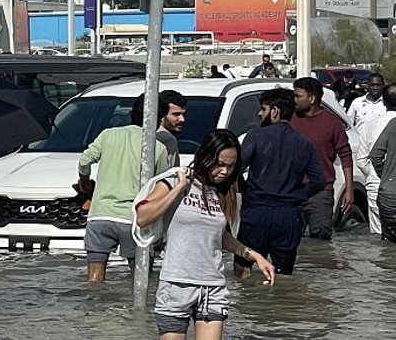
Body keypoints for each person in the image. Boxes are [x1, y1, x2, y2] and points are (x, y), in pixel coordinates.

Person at [136, 131, 275, 340]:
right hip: (176, 285)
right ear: (205, 157)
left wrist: (253, 255)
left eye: (231, 166)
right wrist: (180, 187)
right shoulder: (175, 181)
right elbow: (142, 216)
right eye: (220, 164)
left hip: (213, 288)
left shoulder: (222, 191)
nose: (225, 171)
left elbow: (218, 236)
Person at [76, 94, 170, 282]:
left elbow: (84, 160)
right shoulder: (158, 148)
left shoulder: (108, 135)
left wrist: (84, 181)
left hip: (100, 215)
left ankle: (93, 309)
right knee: (140, 278)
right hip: (134, 220)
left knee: (94, 277)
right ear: (159, 120)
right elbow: (162, 185)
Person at [234, 88, 325, 279]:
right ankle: (278, 308)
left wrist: (245, 189)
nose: (259, 113)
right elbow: (319, 181)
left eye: (263, 109)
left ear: (274, 111)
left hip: (256, 212)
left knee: (244, 269)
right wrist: (297, 196)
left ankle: (247, 308)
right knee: (282, 277)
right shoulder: (304, 143)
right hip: (288, 216)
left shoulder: (256, 136)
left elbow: (235, 170)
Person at [289, 77, 353, 240]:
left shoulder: (332, 123)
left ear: (312, 99)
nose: (294, 100)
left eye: (298, 96)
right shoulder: (289, 119)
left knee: (320, 241)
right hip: (291, 191)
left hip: (321, 192)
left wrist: (349, 190)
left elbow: (345, 156)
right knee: (289, 239)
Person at [358, 84, 396, 236]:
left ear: (383, 102)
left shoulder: (370, 125)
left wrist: (380, 175)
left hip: (378, 187)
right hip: (385, 186)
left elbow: (362, 160)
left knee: (378, 239)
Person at [369, 112, 396, 242]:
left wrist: (385, 176)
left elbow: (375, 155)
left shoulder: (393, 123)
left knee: (388, 246)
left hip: (389, 195)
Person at [156, 90, 187, 168]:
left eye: (183, 114)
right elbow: (170, 175)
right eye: (176, 114)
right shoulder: (167, 139)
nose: (182, 119)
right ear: (162, 113)